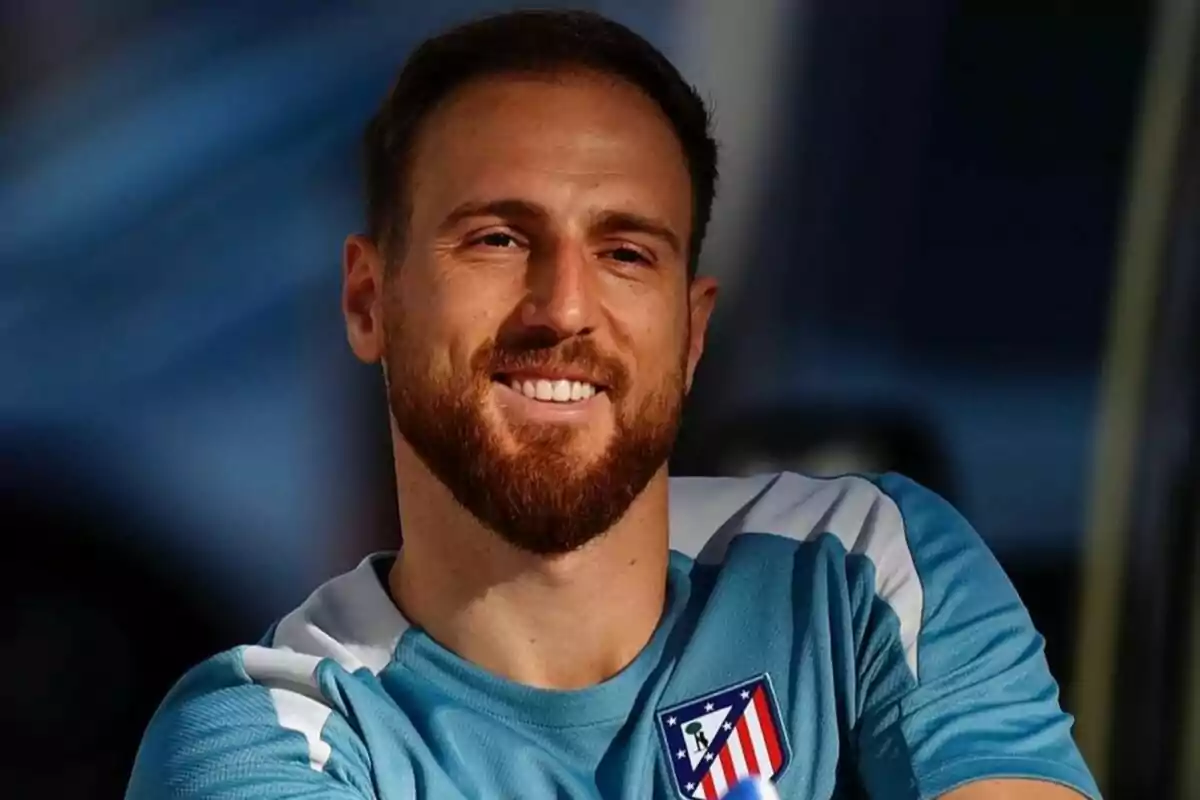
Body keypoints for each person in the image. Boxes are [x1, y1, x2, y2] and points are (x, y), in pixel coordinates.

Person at [126, 9, 1100, 800]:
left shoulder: (864, 569)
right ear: (368, 300)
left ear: (692, 330)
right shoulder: (267, 733)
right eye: (499, 239)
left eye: (626, 251)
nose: (563, 307)